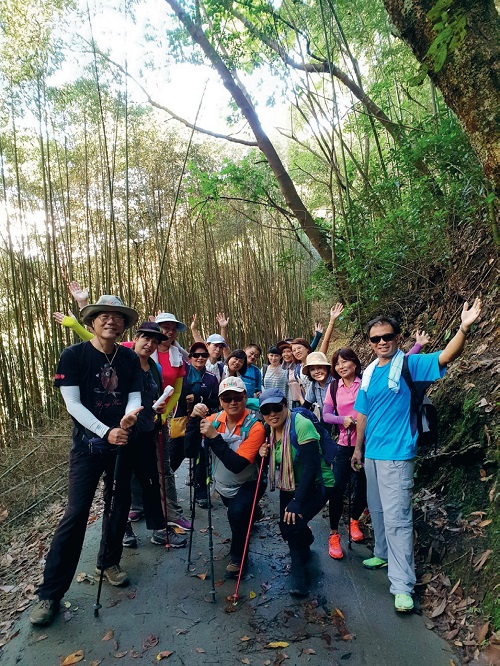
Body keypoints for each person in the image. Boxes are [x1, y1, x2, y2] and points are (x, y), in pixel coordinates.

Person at [351, 299, 482, 613]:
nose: (382, 342)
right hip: (372, 454)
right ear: (369, 343)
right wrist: (358, 447)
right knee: (379, 511)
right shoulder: (368, 374)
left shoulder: (410, 364)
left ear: (397, 338)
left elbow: (448, 355)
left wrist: (464, 327)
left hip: (397, 455)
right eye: (375, 338)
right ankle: (381, 553)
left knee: (397, 520)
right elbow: (362, 413)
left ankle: (402, 585)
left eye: (387, 337)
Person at [30, 296, 143, 627]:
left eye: (118, 318)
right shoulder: (73, 355)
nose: (111, 321)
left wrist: (127, 421)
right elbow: (73, 404)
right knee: (76, 514)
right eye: (103, 316)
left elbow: (134, 395)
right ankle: (49, 593)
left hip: (122, 443)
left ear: (124, 325)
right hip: (87, 447)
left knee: (118, 504)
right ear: (92, 322)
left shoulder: (128, 358)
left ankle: (109, 562)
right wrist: (105, 430)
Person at [185, 376, 266, 579]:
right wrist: (193, 422)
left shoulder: (256, 427)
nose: (232, 402)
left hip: (250, 481)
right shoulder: (214, 420)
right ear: (220, 400)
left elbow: (237, 465)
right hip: (223, 483)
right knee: (239, 511)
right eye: (227, 398)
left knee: (236, 515)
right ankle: (253, 512)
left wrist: (213, 437)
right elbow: (189, 451)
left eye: (237, 397)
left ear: (245, 397)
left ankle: (239, 557)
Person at [258, 388, 333, 597]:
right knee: (286, 527)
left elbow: (310, 467)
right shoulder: (269, 428)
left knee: (294, 523)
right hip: (289, 482)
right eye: (267, 410)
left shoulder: (301, 424)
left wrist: (297, 502)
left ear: (285, 405)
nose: (272, 414)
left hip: (317, 483)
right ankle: (306, 540)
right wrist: (261, 453)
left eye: (277, 408)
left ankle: (299, 575)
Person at [322, 348, 366, 559]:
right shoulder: (333, 387)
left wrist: (418, 345)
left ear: (355, 364)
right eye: (337, 363)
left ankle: (354, 521)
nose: (341, 366)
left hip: (367, 443)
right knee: (337, 487)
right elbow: (326, 415)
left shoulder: (366, 382)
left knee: (362, 485)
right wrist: (343, 420)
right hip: (343, 442)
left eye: (345, 361)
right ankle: (334, 534)